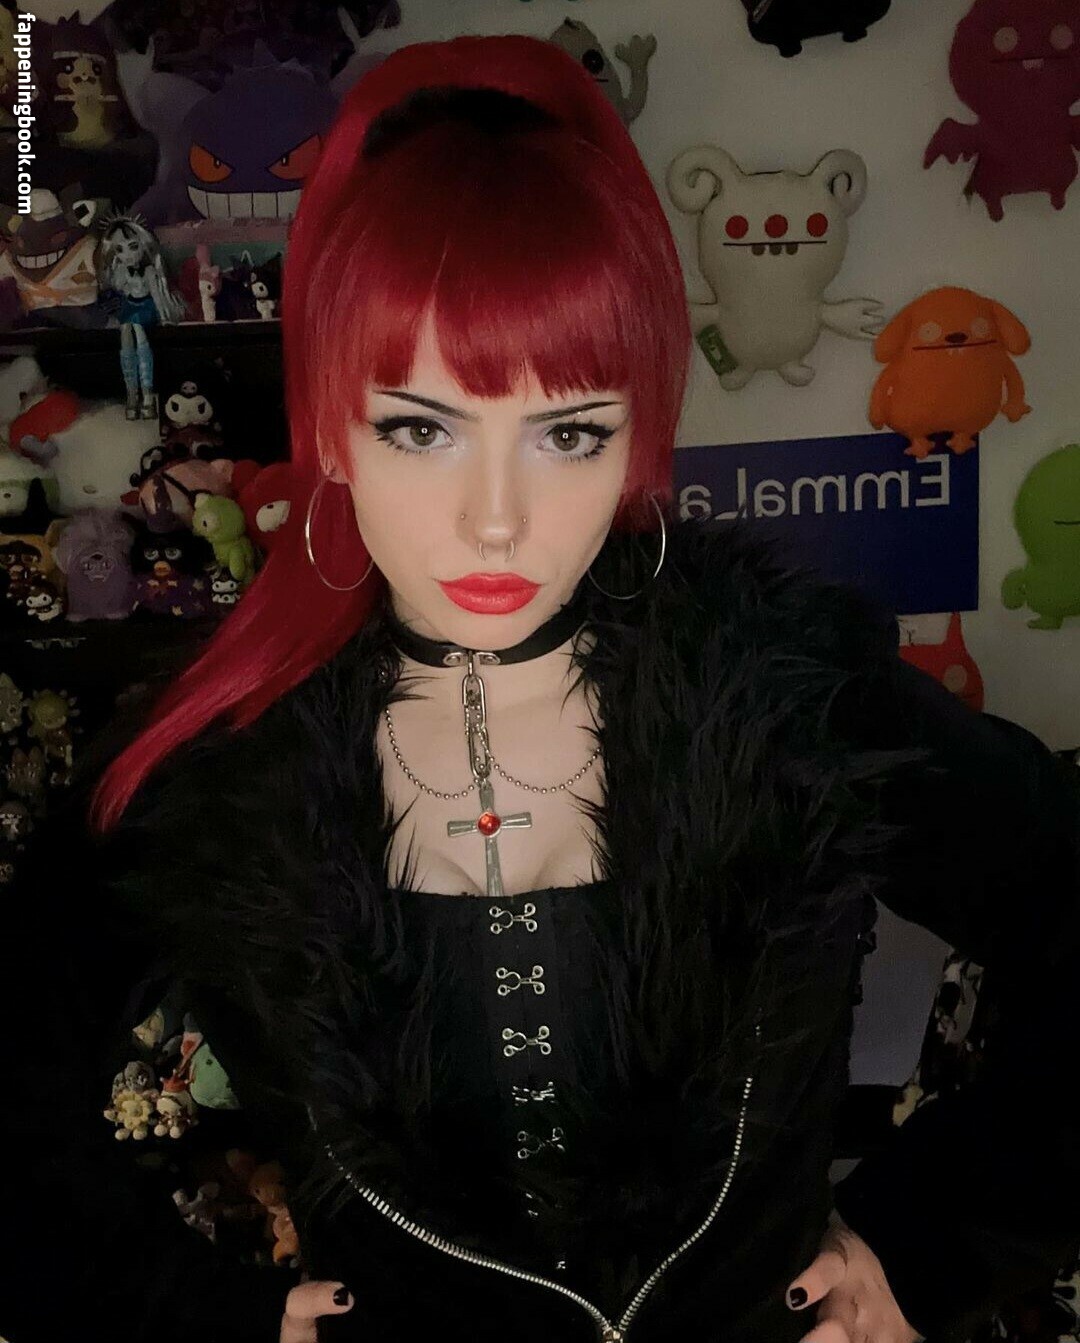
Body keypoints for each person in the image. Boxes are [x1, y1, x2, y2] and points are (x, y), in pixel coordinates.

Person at [3, 33, 1079, 1343]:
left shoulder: (788, 693)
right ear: (333, 428)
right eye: (422, 428)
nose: (497, 519)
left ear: (640, 432)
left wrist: (931, 1241)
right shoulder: (223, 767)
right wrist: (189, 1310)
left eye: (570, 432)